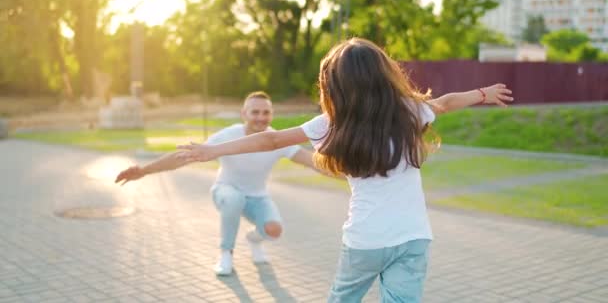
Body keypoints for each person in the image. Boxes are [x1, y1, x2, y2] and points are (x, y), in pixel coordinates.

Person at [176, 38, 514, 302]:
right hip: (414, 238)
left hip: (365, 241)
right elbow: (446, 102)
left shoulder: (331, 123)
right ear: (385, 73)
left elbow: (271, 140)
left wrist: (212, 150)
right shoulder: (409, 110)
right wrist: (482, 93)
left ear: (333, 85)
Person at [115, 91, 318, 276]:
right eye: (255, 112)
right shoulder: (228, 135)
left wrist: (346, 171)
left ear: (271, 115)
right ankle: (226, 253)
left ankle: (254, 240)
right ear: (244, 114)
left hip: (258, 196)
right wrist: (143, 171)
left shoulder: (276, 140)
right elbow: (184, 157)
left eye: (266, 112)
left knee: (274, 231)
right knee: (234, 199)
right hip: (225, 191)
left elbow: (311, 161)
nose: (261, 117)